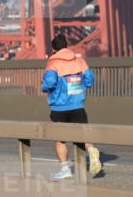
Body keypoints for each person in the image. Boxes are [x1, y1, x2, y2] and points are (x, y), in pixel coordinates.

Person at [41, 33, 101, 180]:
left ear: (53, 49)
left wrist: (43, 87)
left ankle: (65, 169)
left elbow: (50, 83)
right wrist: (82, 84)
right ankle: (92, 151)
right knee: (84, 136)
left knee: (60, 140)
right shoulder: (79, 61)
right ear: (66, 46)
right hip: (78, 106)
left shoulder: (53, 63)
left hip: (59, 108)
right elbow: (89, 79)